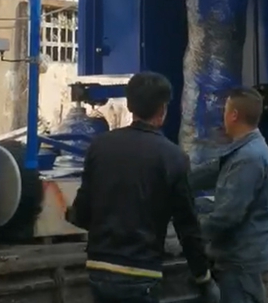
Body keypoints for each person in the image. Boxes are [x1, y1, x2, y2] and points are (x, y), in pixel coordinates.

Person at [65, 71, 220, 303]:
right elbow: (187, 226)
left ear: (129, 105)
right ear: (163, 109)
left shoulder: (100, 145)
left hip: (99, 270)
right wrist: (203, 277)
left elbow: (83, 211)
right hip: (141, 272)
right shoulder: (173, 156)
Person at [191, 87, 268, 303]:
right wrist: (175, 180)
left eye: (225, 110)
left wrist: (190, 235)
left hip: (242, 265)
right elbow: (212, 171)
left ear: (234, 115)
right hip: (242, 262)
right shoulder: (243, 151)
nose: (223, 115)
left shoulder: (249, 158)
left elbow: (228, 216)